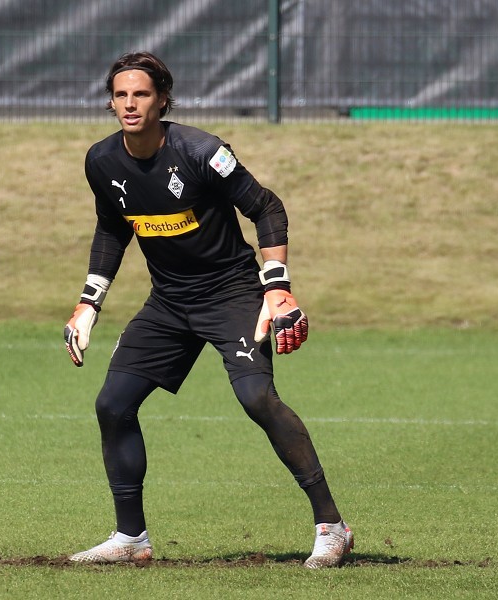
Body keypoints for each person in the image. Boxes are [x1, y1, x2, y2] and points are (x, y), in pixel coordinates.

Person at [63, 51, 352, 569]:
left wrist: (277, 288)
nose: (131, 104)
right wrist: (89, 301)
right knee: (112, 404)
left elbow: (267, 207)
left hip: (232, 293)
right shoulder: (101, 161)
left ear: (163, 100)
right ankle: (131, 539)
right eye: (122, 95)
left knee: (257, 398)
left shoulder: (203, 151)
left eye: (142, 94)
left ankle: (333, 528)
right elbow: (112, 227)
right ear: (110, 101)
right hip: (169, 302)